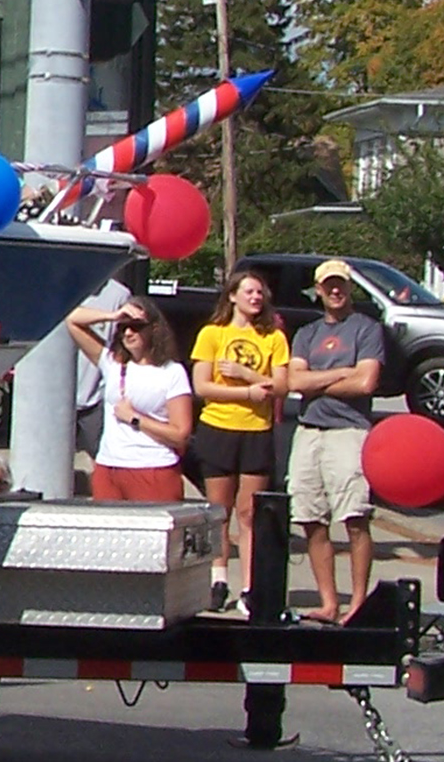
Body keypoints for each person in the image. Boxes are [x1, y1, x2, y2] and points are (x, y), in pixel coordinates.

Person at [286, 258, 386, 625]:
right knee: (310, 518)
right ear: (318, 290)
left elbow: (365, 383)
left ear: (349, 287)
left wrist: (320, 378)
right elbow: (295, 382)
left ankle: (358, 602)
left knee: (355, 517)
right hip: (309, 431)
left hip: (349, 432)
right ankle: (329, 602)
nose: (335, 290)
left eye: (340, 283)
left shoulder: (366, 329)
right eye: (328, 284)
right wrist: (344, 371)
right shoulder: (306, 333)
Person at [188, 265, 288, 612]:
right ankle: (218, 580)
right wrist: (248, 393)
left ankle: (251, 586)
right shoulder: (212, 334)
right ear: (232, 296)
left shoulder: (273, 337)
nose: (255, 297)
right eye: (248, 291)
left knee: (249, 512)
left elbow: (281, 386)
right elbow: (202, 386)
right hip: (218, 429)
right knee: (220, 511)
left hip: (256, 432)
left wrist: (246, 375)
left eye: (260, 292)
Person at [64, 297, 193, 500]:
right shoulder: (112, 363)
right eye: (123, 327)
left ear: (154, 329)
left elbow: (181, 434)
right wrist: (112, 315)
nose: (128, 332)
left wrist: (135, 419)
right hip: (109, 466)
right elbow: (72, 319)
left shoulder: (171, 372)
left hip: (152, 467)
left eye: (136, 326)